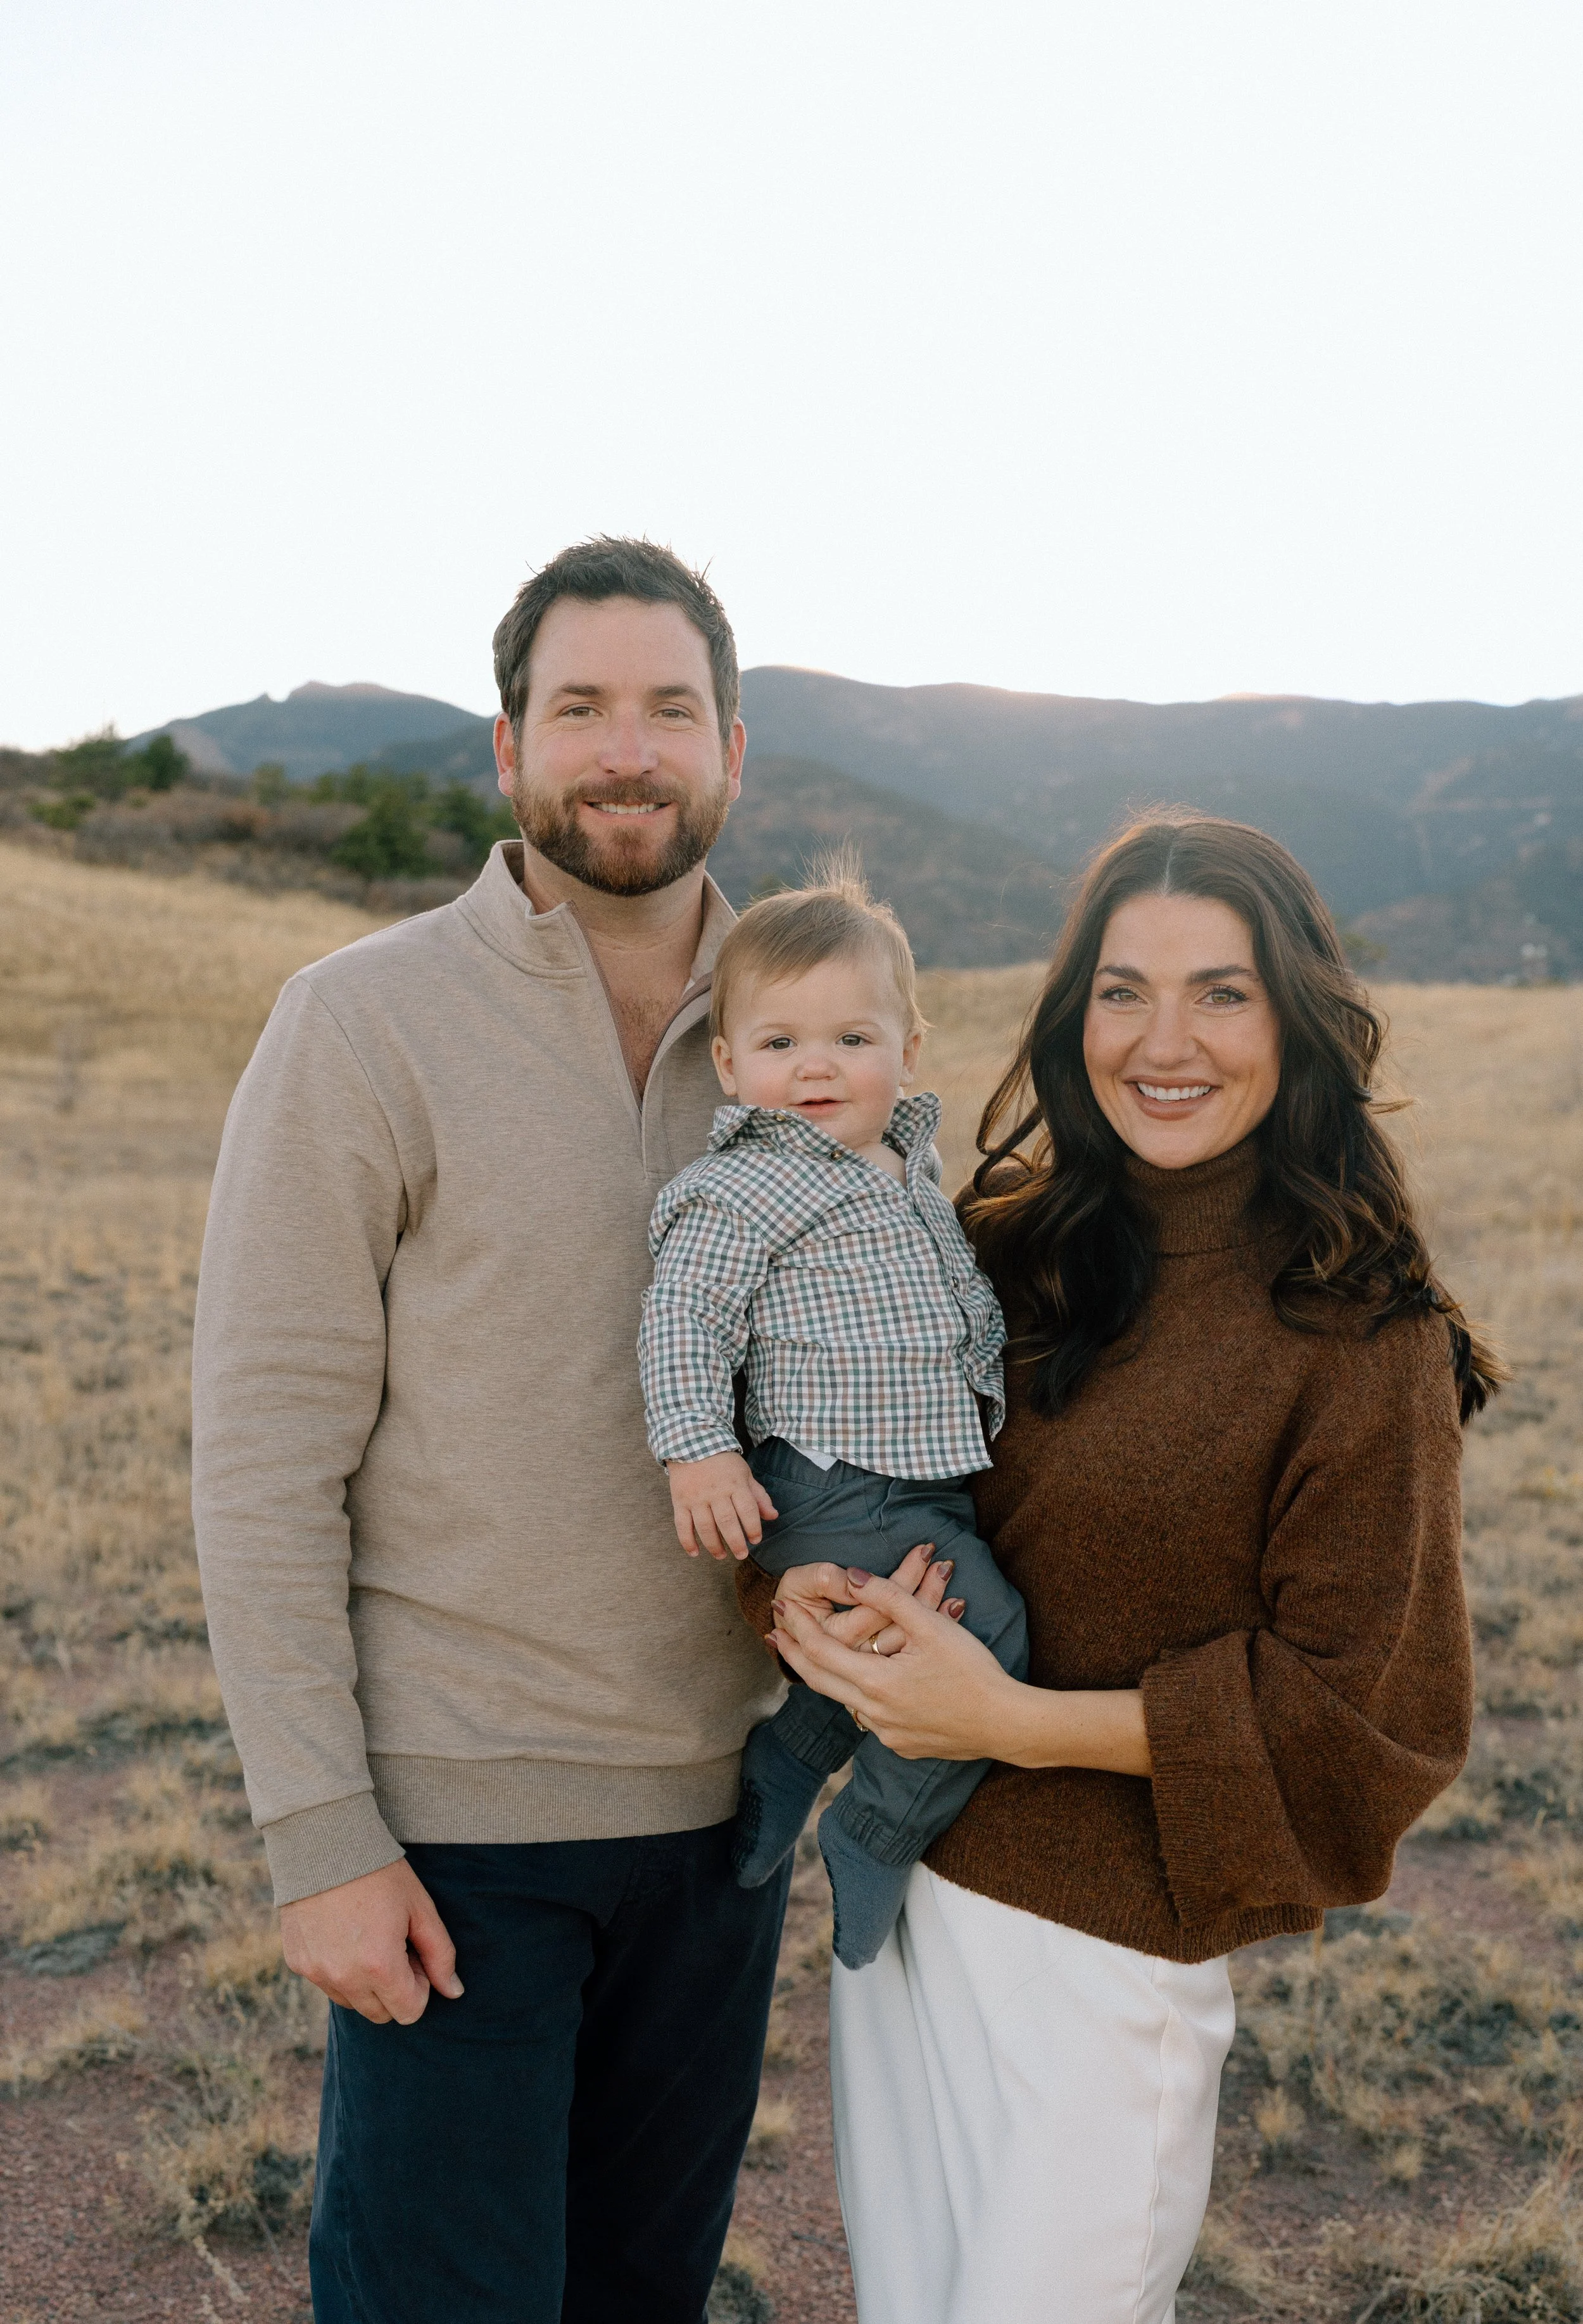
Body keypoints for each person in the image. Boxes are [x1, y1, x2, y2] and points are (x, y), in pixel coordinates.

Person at [747, 813, 1492, 2324]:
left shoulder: (1361, 1334)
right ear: (1068, 1006)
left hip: (1107, 1967)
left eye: (1220, 991)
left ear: (1296, 1015)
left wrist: (1010, 1721)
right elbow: (841, 1447)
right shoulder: (994, 1245)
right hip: (905, 1909)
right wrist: (799, 1589)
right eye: (1120, 988)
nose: (1165, 1040)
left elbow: (1360, 1713)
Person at [192, 538, 798, 2324]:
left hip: (718, 1830)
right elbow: (264, 1446)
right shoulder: (361, 1021)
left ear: (733, 750)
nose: (627, 749)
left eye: (668, 708)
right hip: (449, 1842)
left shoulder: (808, 1046)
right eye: (581, 707)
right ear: (507, 748)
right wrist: (320, 1834)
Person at [638, 867, 1028, 1971]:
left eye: (853, 1038)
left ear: (909, 1044)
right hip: (824, 1477)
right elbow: (684, 1319)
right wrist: (699, 1450)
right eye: (779, 1044)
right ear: (728, 1063)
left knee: (903, 1619)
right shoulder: (745, 1185)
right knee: (986, 1633)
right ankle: (878, 1824)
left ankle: (794, 1749)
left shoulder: (906, 1163)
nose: (816, 1065)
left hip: (922, 1474)